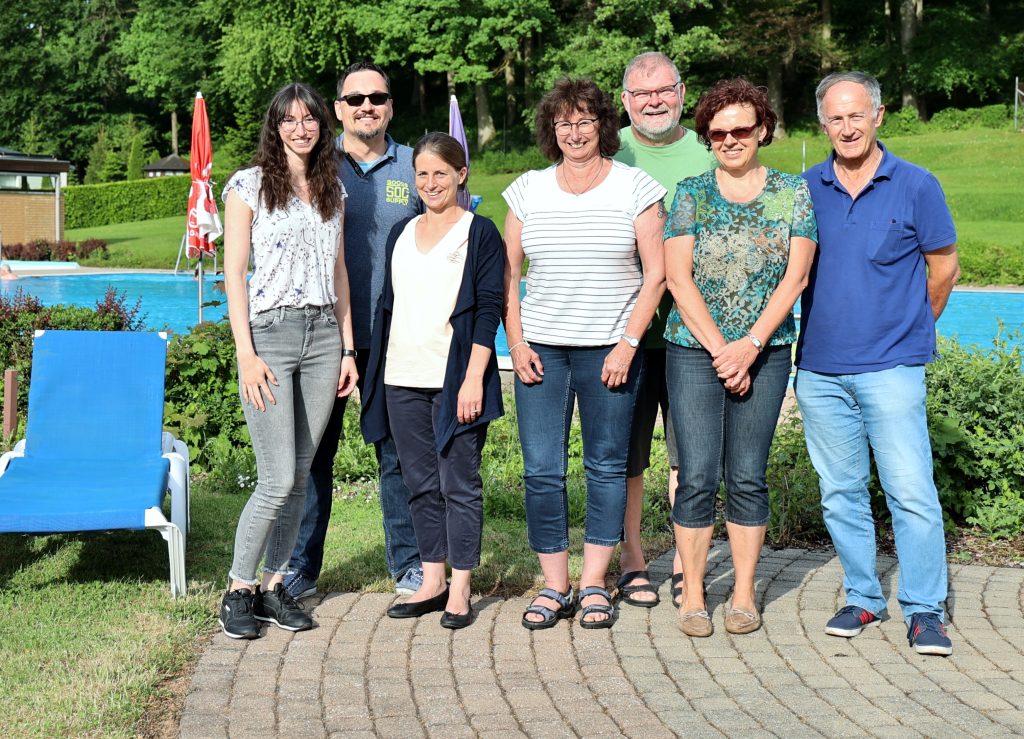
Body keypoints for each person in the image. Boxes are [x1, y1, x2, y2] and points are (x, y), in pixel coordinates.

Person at [796, 71, 960, 656]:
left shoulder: (917, 184)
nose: (847, 127)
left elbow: (944, 269)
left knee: (910, 490)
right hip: (818, 369)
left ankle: (924, 609)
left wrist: (913, 328)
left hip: (892, 367)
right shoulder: (804, 187)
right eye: (835, 118)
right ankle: (863, 596)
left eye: (856, 115)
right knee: (840, 491)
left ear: (879, 116)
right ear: (823, 125)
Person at [503, 78, 666, 630]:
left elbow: (657, 275)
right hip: (541, 352)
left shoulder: (636, 187)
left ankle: (595, 582)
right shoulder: (527, 189)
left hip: (610, 353)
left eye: (585, 121)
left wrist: (627, 344)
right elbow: (508, 278)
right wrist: (517, 342)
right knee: (542, 470)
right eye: (564, 123)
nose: (574, 132)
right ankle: (555, 585)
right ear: (553, 130)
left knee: (606, 467)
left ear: (603, 125)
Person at [664, 78, 817, 637]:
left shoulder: (791, 193)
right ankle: (695, 595)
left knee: (748, 474)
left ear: (763, 130)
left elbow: (795, 276)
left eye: (741, 129)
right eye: (718, 131)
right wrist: (720, 350)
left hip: (767, 351)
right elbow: (678, 279)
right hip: (692, 353)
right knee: (698, 473)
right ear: (707, 137)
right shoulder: (689, 193)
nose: (730, 139)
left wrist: (750, 344)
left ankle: (746, 593)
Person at [219, 82, 357, 640]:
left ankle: (275, 585)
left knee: (300, 475)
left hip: (325, 335)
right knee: (276, 477)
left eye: (310, 119)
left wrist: (348, 348)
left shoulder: (331, 188)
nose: (301, 127)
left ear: (322, 125)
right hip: (271, 337)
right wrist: (246, 353)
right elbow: (233, 274)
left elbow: (341, 272)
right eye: (289, 120)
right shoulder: (248, 186)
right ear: (274, 127)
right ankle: (237, 589)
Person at [285, 62, 424, 601]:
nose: (367, 106)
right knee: (313, 455)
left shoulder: (417, 165)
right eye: (355, 98)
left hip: (397, 336)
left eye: (378, 97)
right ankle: (299, 566)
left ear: (390, 105)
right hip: (323, 338)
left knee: (396, 454)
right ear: (337, 109)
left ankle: (409, 564)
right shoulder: (314, 166)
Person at [361, 133, 504, 629]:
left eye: (441, 172)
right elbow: (388, 307)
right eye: (422, 173)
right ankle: (431, 579)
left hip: (454, 379)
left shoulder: (479, 232)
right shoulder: (400, 231)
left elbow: (489, 311)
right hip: (401, 376)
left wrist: (473, 380)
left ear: (461, 174)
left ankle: (461, 588)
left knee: (458, 483)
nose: (430, 182)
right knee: (418, 484)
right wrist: (375, 376)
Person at [612, 51, 717, 609]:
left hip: (691, 333)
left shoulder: (709, 148)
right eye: (641, 93)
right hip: (625, 332)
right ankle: (632, 558)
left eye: (664, 90)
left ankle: (684, 560)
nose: (654, 101)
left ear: (682, 91)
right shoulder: (610, 149)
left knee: (689, 455)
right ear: (625, 101)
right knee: (628, 457)